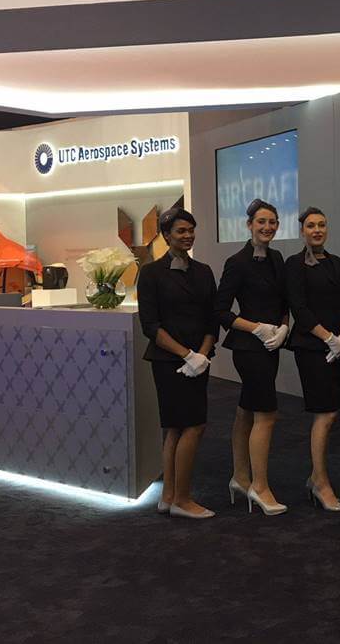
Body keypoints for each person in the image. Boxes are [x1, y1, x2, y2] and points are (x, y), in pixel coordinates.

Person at [137, 207, 218, 520]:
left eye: (191, 230)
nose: (188, 236)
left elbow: (212, 319)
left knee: (180, 426)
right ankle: (181, 499)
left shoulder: (204, 272)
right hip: (168, 360)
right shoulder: (151, 273)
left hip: (199, 359)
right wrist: (187, 355)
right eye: (181, 231)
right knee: (188, 426)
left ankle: (169, 496)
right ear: (166, 235)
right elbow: (150, 325)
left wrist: (202, 355)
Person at [215, 199, 290, 517]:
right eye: (261, 222)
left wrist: (284, 327)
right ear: (249, 225)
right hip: (248, 349)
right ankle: (260, 486)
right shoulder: (237, 262)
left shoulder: (277, 258)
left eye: (272, 222)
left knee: (246, 411)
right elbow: (220, 310)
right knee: (267, 414)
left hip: (272, 345)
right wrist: (256, 328)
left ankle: (240, 477)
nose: (267, 227)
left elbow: (284, 302)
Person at [285, 206, 340, 512]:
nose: (317, 230)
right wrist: (327, 338)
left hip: (337, 345)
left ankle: (316, 477)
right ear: (302, 231)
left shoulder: (336, 262)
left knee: (331, 412)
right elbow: (299, 308)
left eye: (321, 225)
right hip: (312, 347)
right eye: (311, 226)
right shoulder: (295, 264)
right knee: (324, 414)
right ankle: (321, 483)